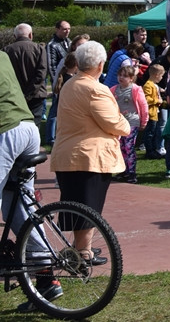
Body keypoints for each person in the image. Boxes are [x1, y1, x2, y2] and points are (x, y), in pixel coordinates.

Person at [49, 41, 131, 265]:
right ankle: (83, 253)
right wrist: (125, 124)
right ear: (101, 64)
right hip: (89, 156)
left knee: (76, 205)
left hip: (68, 154)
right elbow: (114, 123)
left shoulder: (70, 84)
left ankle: (79, 249)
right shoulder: (96, 89)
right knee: (89, 207)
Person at [1, 50, 63, 314]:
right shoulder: (2, 55)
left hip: (6, 131)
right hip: (28, 129)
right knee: (17, 207)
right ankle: (47, 279)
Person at [4, 23, 48, 132]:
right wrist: (29, 94)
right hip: (36, 95)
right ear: (31, 35)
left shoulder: (6, 50)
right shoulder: (39, 49)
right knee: (34, 126)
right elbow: (41, 73)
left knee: (15, 126)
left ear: (15, 36)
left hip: (14, 95)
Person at [110, 65, 147, 184]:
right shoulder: (114, 89)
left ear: (131, 78)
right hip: (119, 123)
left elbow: (143, 105)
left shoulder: (135, 89)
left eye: (125, 76)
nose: (121, 78)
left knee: (129, 146)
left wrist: (144, 121)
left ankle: (132, 172)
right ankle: (123, 170)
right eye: (120, 75)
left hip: (132, 121)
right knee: (120, 147)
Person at [45, 21, 71, 145]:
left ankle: (62, 134)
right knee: (55, 109)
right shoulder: (52, 45)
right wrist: (57, 81)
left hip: (69, 79)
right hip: (60, 81)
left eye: (69, 29)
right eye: (64, 29)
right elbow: (51, 65)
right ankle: (50, 138)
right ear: (57, 29)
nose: (67, 31)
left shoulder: (69, 42)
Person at [142, 64, 166, 159]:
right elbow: (146, 99)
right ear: (156, 75)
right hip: (150, 113)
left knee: (152, 132)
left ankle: (153, 150)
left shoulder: (154, 85)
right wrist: (157, 101)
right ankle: (149, 152)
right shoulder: (148, 85)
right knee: (149, 133)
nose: (161, 78)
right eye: (161, 76)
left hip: (155, 113)